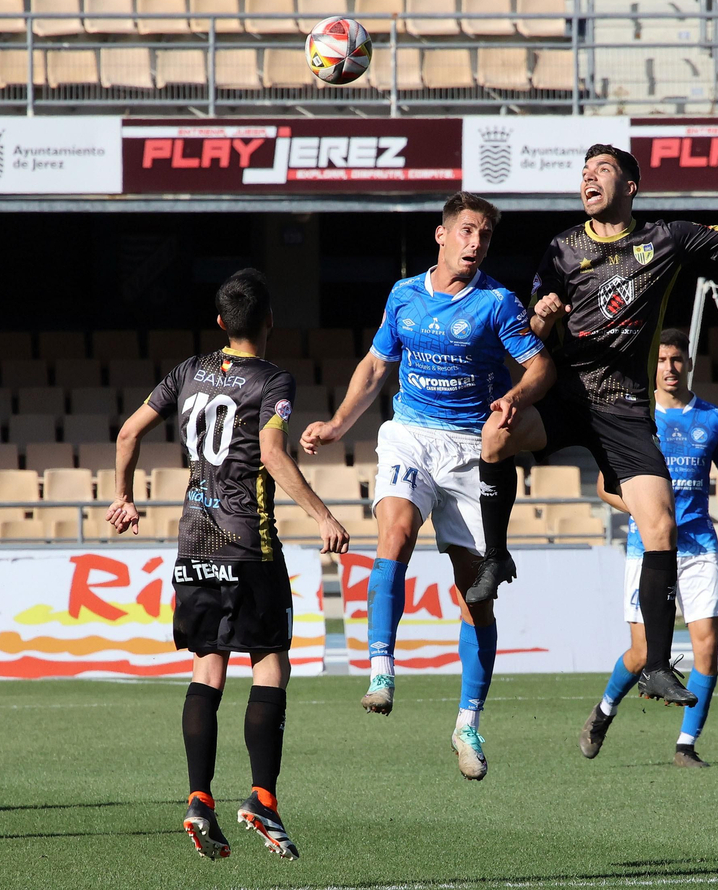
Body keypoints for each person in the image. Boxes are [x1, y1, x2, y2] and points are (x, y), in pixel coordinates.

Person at [472, 143, 718, 707]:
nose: (588, 178)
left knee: (659, 527)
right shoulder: (562, 248)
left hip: (625, 409)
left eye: (602, 170)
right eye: (584, 172)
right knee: (495, 435)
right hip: (566, 396)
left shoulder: (666, 239)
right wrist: (541, 315)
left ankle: (656, 665)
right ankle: (496, 556)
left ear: (630, 186)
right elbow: (532, 334)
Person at [300, 192, 552, 781]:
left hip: (470, 450)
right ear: (441, 235)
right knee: (395, 531)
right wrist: (337, 425)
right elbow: (375, 366)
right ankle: (381, 670)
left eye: (484, 235)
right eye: (466, 230)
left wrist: (514, 397)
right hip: (410, 434)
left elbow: (541, 366)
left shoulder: (497, 302)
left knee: (476, 594)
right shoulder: (403, 295)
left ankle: (468, 723)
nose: (475, 242)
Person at [108, 268, 351, 861]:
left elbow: (128, 432)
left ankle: (199, 799)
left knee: (207, 667)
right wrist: (323, 514)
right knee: (270, 663)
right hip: (248, 547)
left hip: (194, 545)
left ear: (220, 322)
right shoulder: (273, 379)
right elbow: (272, 453)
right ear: (269, 321)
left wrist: (124, 496)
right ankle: (262, 799)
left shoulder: (187, 372)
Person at [579, 329, 718, 767]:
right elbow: (604, 487)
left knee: (707, 648)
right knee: (641, 653)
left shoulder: (713, 419)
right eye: (662, 359)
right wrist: (643, 511)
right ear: (652, 364)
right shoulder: (634, 417)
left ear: (688, 363)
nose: (670, 368)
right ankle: (604, 711)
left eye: (677, 359)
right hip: (649, 551)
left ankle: (686, 746)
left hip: (699, 546)